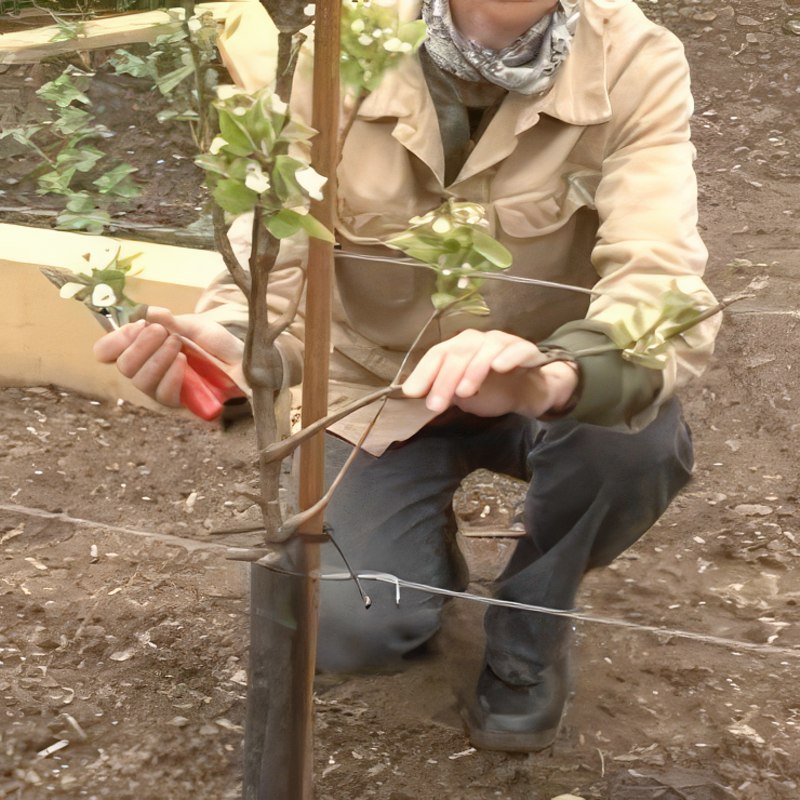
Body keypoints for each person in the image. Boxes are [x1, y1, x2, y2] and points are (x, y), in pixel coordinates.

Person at [94, 0, 720, 752]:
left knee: (635, 441)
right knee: (350, 632)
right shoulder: (343, 43)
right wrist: (237, 350)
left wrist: (550, 377)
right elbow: (278, 248)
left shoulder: (634, 60)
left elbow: (662, 289)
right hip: (373, 385)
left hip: (540, 379)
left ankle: (532, 626)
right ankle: (424, 564)